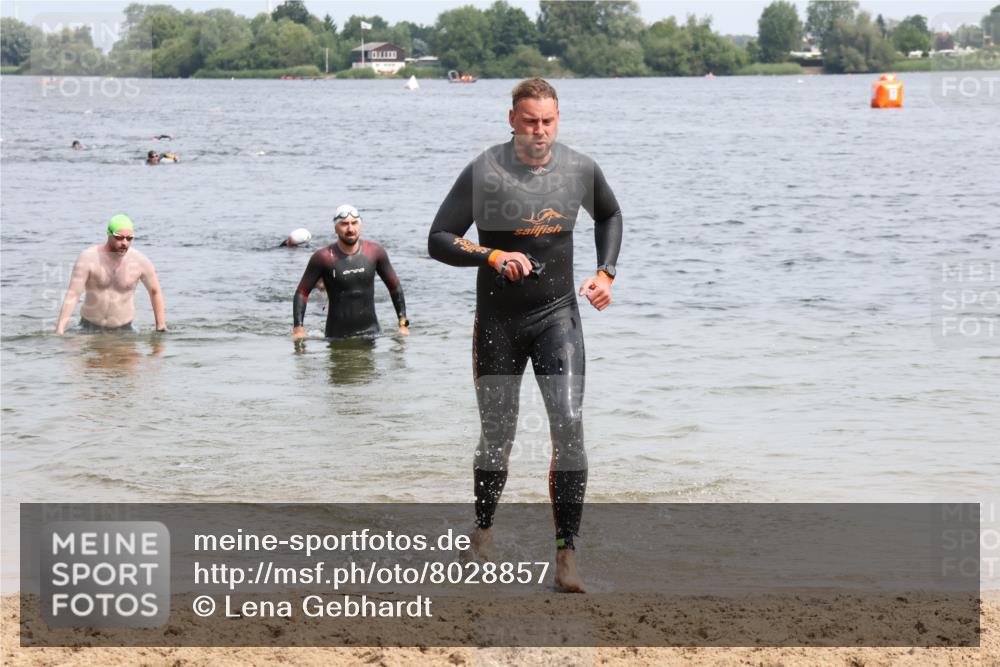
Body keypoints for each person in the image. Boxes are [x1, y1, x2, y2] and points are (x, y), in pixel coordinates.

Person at [427, 77, 622, 593]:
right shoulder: (486, 171)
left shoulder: (579, 169)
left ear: (559, 119)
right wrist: (491, 255)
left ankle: (566, 557)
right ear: (512, 118)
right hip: (499, 322)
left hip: (558, 316)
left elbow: (609, 214)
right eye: (530, 121)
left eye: (548, 122)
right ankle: (484, 531)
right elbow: (439, 239)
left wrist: (605, 273)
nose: (540, 132)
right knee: (498, 435)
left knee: (570, 426)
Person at [292, 204, 409, 339]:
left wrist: (403, 324)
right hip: (336, 337)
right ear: (335, 228)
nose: (350, 229)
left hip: (372, 334)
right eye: (344, 224)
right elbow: (302, 292)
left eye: (354, 223)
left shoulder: (375, 252)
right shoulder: (323, 257)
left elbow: (395, 288)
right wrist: (298, 328)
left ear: (360, 225)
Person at [55, 215, 167, 334]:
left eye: (129, 238)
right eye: (119, 238)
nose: (124, 243)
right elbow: (73, 293)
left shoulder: (140, 261)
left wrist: (160, 325)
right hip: (88, 327)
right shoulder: (88, 258)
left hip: (124, 329)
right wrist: (60, 329)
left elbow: (155, 292)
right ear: (109, 234)